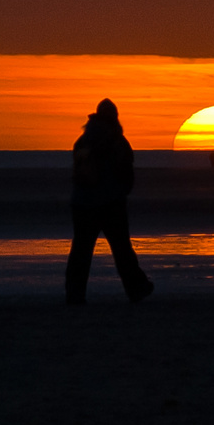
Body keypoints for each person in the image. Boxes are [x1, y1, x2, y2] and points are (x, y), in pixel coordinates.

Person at [66, 98, 154, 305]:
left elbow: (77, 172)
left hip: (82, 203)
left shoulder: (82, 141)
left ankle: (74, 295)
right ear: (115, 117)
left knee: (81, 251)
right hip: (110, 203)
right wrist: (121, 192)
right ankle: (137, 289)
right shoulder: (116, 141)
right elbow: (125, 172)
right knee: (122, 249)